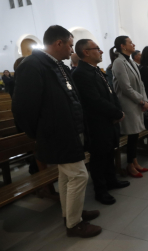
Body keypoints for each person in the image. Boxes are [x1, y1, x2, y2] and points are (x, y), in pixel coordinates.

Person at [12, 25, 101, 238]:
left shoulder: (58, 65)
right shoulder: (32, 65)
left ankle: (71, 214)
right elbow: (23, 107)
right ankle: (74, 224)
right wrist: (39, 132)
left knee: (66, 176)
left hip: (68, 130)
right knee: (79, 175)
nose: (72, 50)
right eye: (70, 45)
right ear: (58, 43)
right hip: (56, 133)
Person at [72, 39, 130, 205]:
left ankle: (111, 180)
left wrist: (118, 110)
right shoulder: (80, 74)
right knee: (98, 158)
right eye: (97, 49)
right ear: (86, 52)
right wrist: (116, 112)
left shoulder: (96, 70)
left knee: (109, 152)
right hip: (96, 123)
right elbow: (94, 100)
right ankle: (100, 190)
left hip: (109, 120)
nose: (101, 51)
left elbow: (111, 94)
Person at [111, 36, 148, 177]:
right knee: (131, 135)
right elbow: (125, 88)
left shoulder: (131, 61)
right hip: (128, 103)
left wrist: (145, 100)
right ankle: (129, 165)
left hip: (137, 102)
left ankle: (134, 162)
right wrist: (141, 101)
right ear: (123, 46)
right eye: (130, 42)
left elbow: (140, 84)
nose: (133, 44)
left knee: (135, 135)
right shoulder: (118, 62)